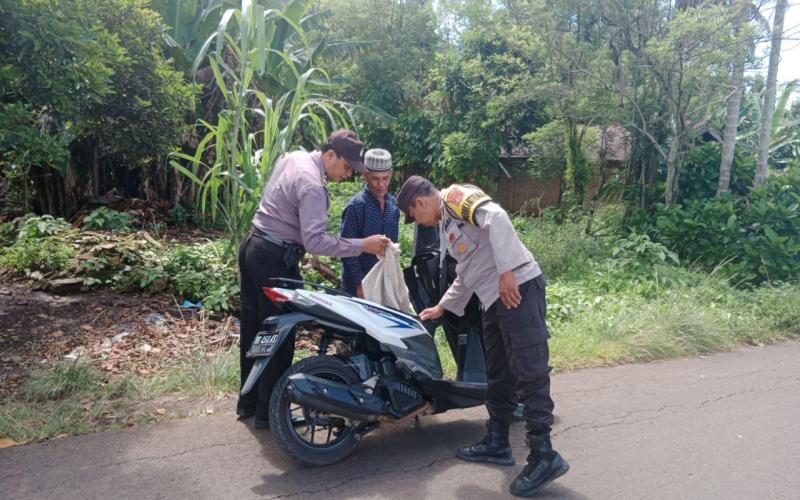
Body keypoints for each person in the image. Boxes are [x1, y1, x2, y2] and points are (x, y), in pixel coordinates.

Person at [396, 175, 569, 498]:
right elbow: (467, 271)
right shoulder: (448, 225)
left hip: (518, 290)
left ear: (420, 202)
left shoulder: (455, 198)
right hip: (494, 300)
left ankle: (544, 454)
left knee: (529, 372)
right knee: (499, 375)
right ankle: (497, 441)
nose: (417, 222)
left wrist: (507, 271)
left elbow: (499, 218)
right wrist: (441, 307)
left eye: (414, 215)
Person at [237, 129, 391, 429]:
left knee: (256, 330)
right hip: (273, 258)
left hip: (253, 247)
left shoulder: (294, 157)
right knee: (280, 337)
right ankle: (269, 415)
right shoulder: (312, 186)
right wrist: (362, 244)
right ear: (329, 154)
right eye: (346, 167)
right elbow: (316, 243)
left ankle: (249, 403)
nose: (347, 175)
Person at [340, 148, 400, 297]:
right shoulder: (356, 206)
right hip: (359, 287)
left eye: (385, 178)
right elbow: (346, 249)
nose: (381, 184)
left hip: (384, 283)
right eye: (375, 178)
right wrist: (360, 285)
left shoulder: (393, 205)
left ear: (391, 174)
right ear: (365, 175)